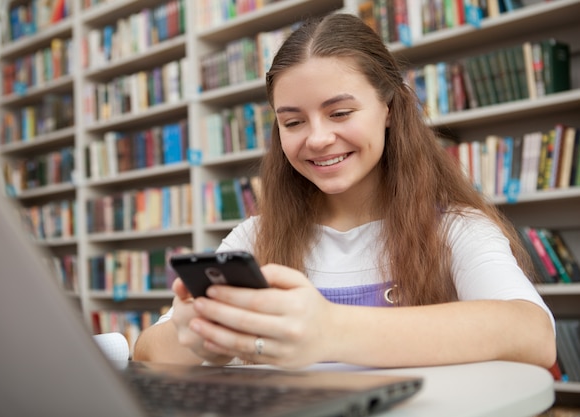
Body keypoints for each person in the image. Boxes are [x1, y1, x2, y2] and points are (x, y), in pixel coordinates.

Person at [133, 13, 556, 370]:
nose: (317, 139)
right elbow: (148, 349)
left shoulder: (456, 230)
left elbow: (534, 335)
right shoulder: (253, 237)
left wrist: (329, 330)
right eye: (293, 122)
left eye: (340, 112)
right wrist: (197, 337)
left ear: (389, 108)